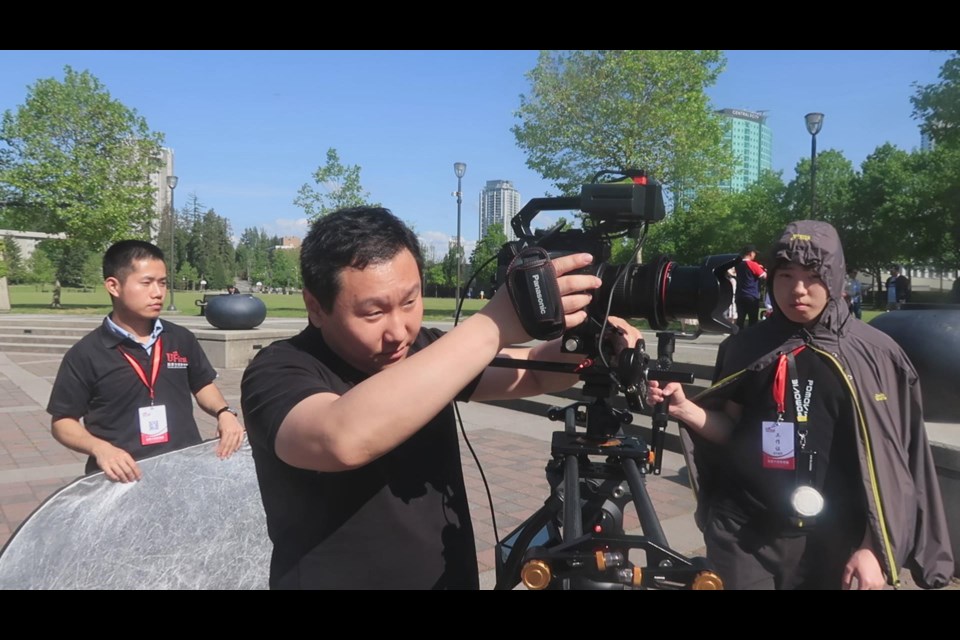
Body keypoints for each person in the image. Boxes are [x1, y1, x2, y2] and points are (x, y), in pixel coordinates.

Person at [240, 206, 640, 589]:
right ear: (315, 306)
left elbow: (533, 371)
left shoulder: (424, 348)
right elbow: (340, 439)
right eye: (373, 313)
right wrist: (493, 324)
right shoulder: (278, 370)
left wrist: (596, 341)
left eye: (410, 301)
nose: (399, 331)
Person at [647, 220, 953, 590]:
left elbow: (896, 463)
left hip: (837, 536)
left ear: (836, 277)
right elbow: (731, 430)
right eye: (786, 275)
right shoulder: (746, 347)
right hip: (744, 531)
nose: (798, 290)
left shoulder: (875, 354)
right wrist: (684, 409)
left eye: (813, 276)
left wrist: (873, 547)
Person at [47, 240, 245, 483]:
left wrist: (224, 412)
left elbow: (202, 384)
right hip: (123, 479)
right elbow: (62, 422)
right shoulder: (86, 353)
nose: (158, 293)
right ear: (113, 286)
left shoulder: (180, 338)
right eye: (146, 282)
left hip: (184, 470)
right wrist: (100, 449)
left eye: (162, 283)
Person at [734, 244, 767, 329]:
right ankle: (751, 339)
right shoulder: (752, 264)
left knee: (740, 319)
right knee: (753, 320)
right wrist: (762, 269)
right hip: (751, 295)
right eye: (754, 253)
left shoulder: (738, 264)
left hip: (740, 295)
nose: (755, 255)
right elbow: (764, 276)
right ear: (750, 253)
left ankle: (737, 338)